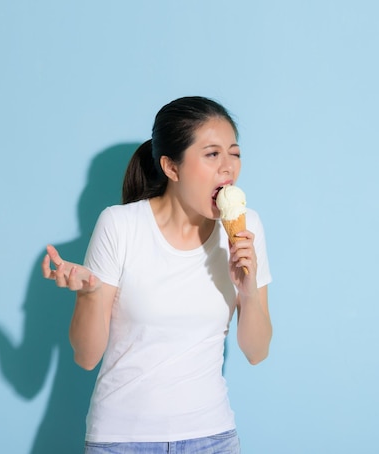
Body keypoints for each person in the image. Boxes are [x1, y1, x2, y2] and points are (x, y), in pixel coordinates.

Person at [42, 96, 272, 454]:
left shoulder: (247, 228)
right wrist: (87, 294)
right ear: (171, 167)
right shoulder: (120, 226)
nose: (228, 168)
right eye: (212, 154)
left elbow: (257, 352)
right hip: (121, 440)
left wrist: (249, 292)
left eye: (234, 153)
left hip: (213, 437)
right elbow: (86, 357)